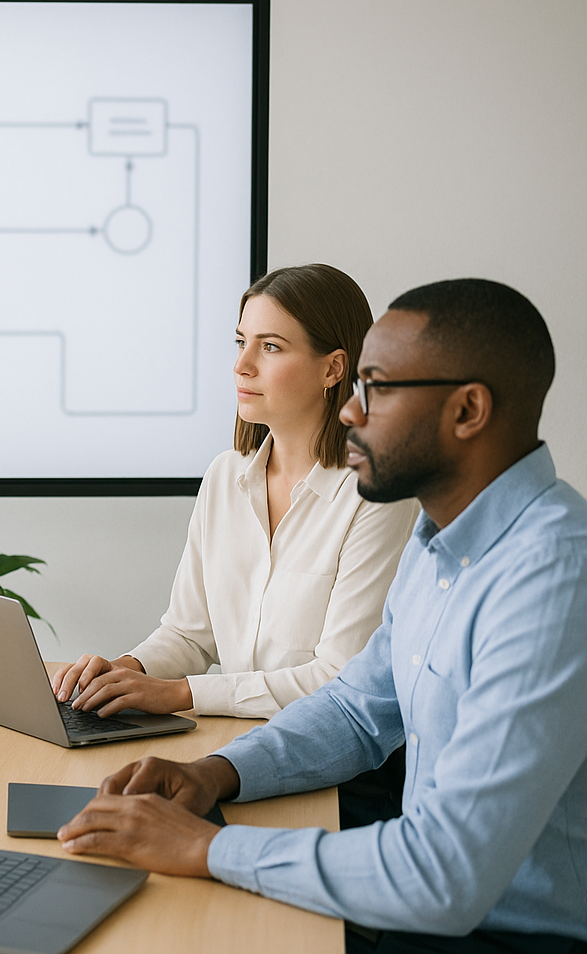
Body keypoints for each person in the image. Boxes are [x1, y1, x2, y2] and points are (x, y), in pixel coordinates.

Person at [56, 279, 587, 952]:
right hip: (423, 911)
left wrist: (213, 848)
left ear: (467, 410)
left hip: (502, 936)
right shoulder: (438, 543)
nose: (350, 413)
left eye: (379, 388)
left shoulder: (553, 576)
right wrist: (213, 774)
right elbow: (358, 710)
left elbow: (444, 874)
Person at [49, 264, 418, 721]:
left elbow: (339, 678)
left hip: (336, 765)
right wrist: (125, 670)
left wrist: (182, 694)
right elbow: (189, 633)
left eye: (270, 347)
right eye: (242, 342)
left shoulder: (377, 495)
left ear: (333, 368)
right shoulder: (225, 476)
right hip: (238, 741)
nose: (242, 365)